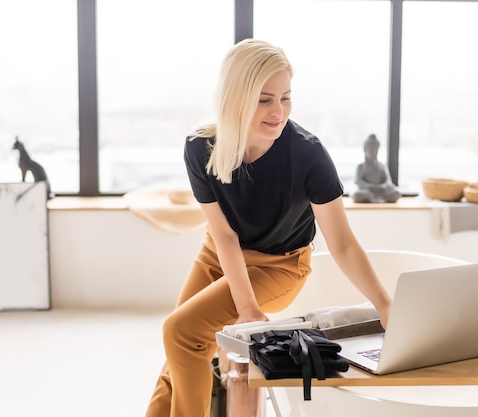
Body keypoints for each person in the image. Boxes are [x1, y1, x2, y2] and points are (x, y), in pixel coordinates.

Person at [144, 39, 392, 417]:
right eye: (264, 99)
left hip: (280, 265)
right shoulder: (201, 147)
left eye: (286, 98)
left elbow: (341, 244)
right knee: (181, 345)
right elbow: (223, 235)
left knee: (181, 332)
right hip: (220, 253)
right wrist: (244, 305)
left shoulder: (308, 154)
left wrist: (384, 304)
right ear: (236, 97)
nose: (278, 112)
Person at [351, 134, 400, 203]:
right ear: (365, 150)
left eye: (375, 150)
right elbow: (358, 182)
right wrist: (372, 186)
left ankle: (379, 198)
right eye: (371, 150)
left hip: (381, 191)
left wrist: (383, 186)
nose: (374, 153)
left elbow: (388, 181)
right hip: (368, 191)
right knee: (356, 195)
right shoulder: (361, 166)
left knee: (396, 193)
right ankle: (373, 198)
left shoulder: (382, 166)